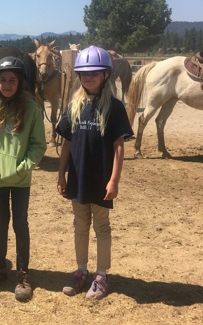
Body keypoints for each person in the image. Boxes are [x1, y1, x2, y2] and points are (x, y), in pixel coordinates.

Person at [56, 46, 133, 300]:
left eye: (94, 73)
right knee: (80, 226)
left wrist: (114, 180)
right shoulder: (73, 106)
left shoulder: (115, 107)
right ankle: (81, 271)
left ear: (105, 75)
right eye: (84, 74)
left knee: (102, 227)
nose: (88, 78)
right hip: (78, 179)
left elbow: (119, 147)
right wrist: (61, 173)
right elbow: (66, 142)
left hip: (101, 180)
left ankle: (101, 275)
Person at [0, 56, 46, 302]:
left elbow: (38, 145)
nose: (7, 84)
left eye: (12, 80)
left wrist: (23, 168)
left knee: (20, 224)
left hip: (19, 180)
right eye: (3, 80)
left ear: (20, 82)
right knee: (0, 223)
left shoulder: (31, 109)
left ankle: (23, 274)